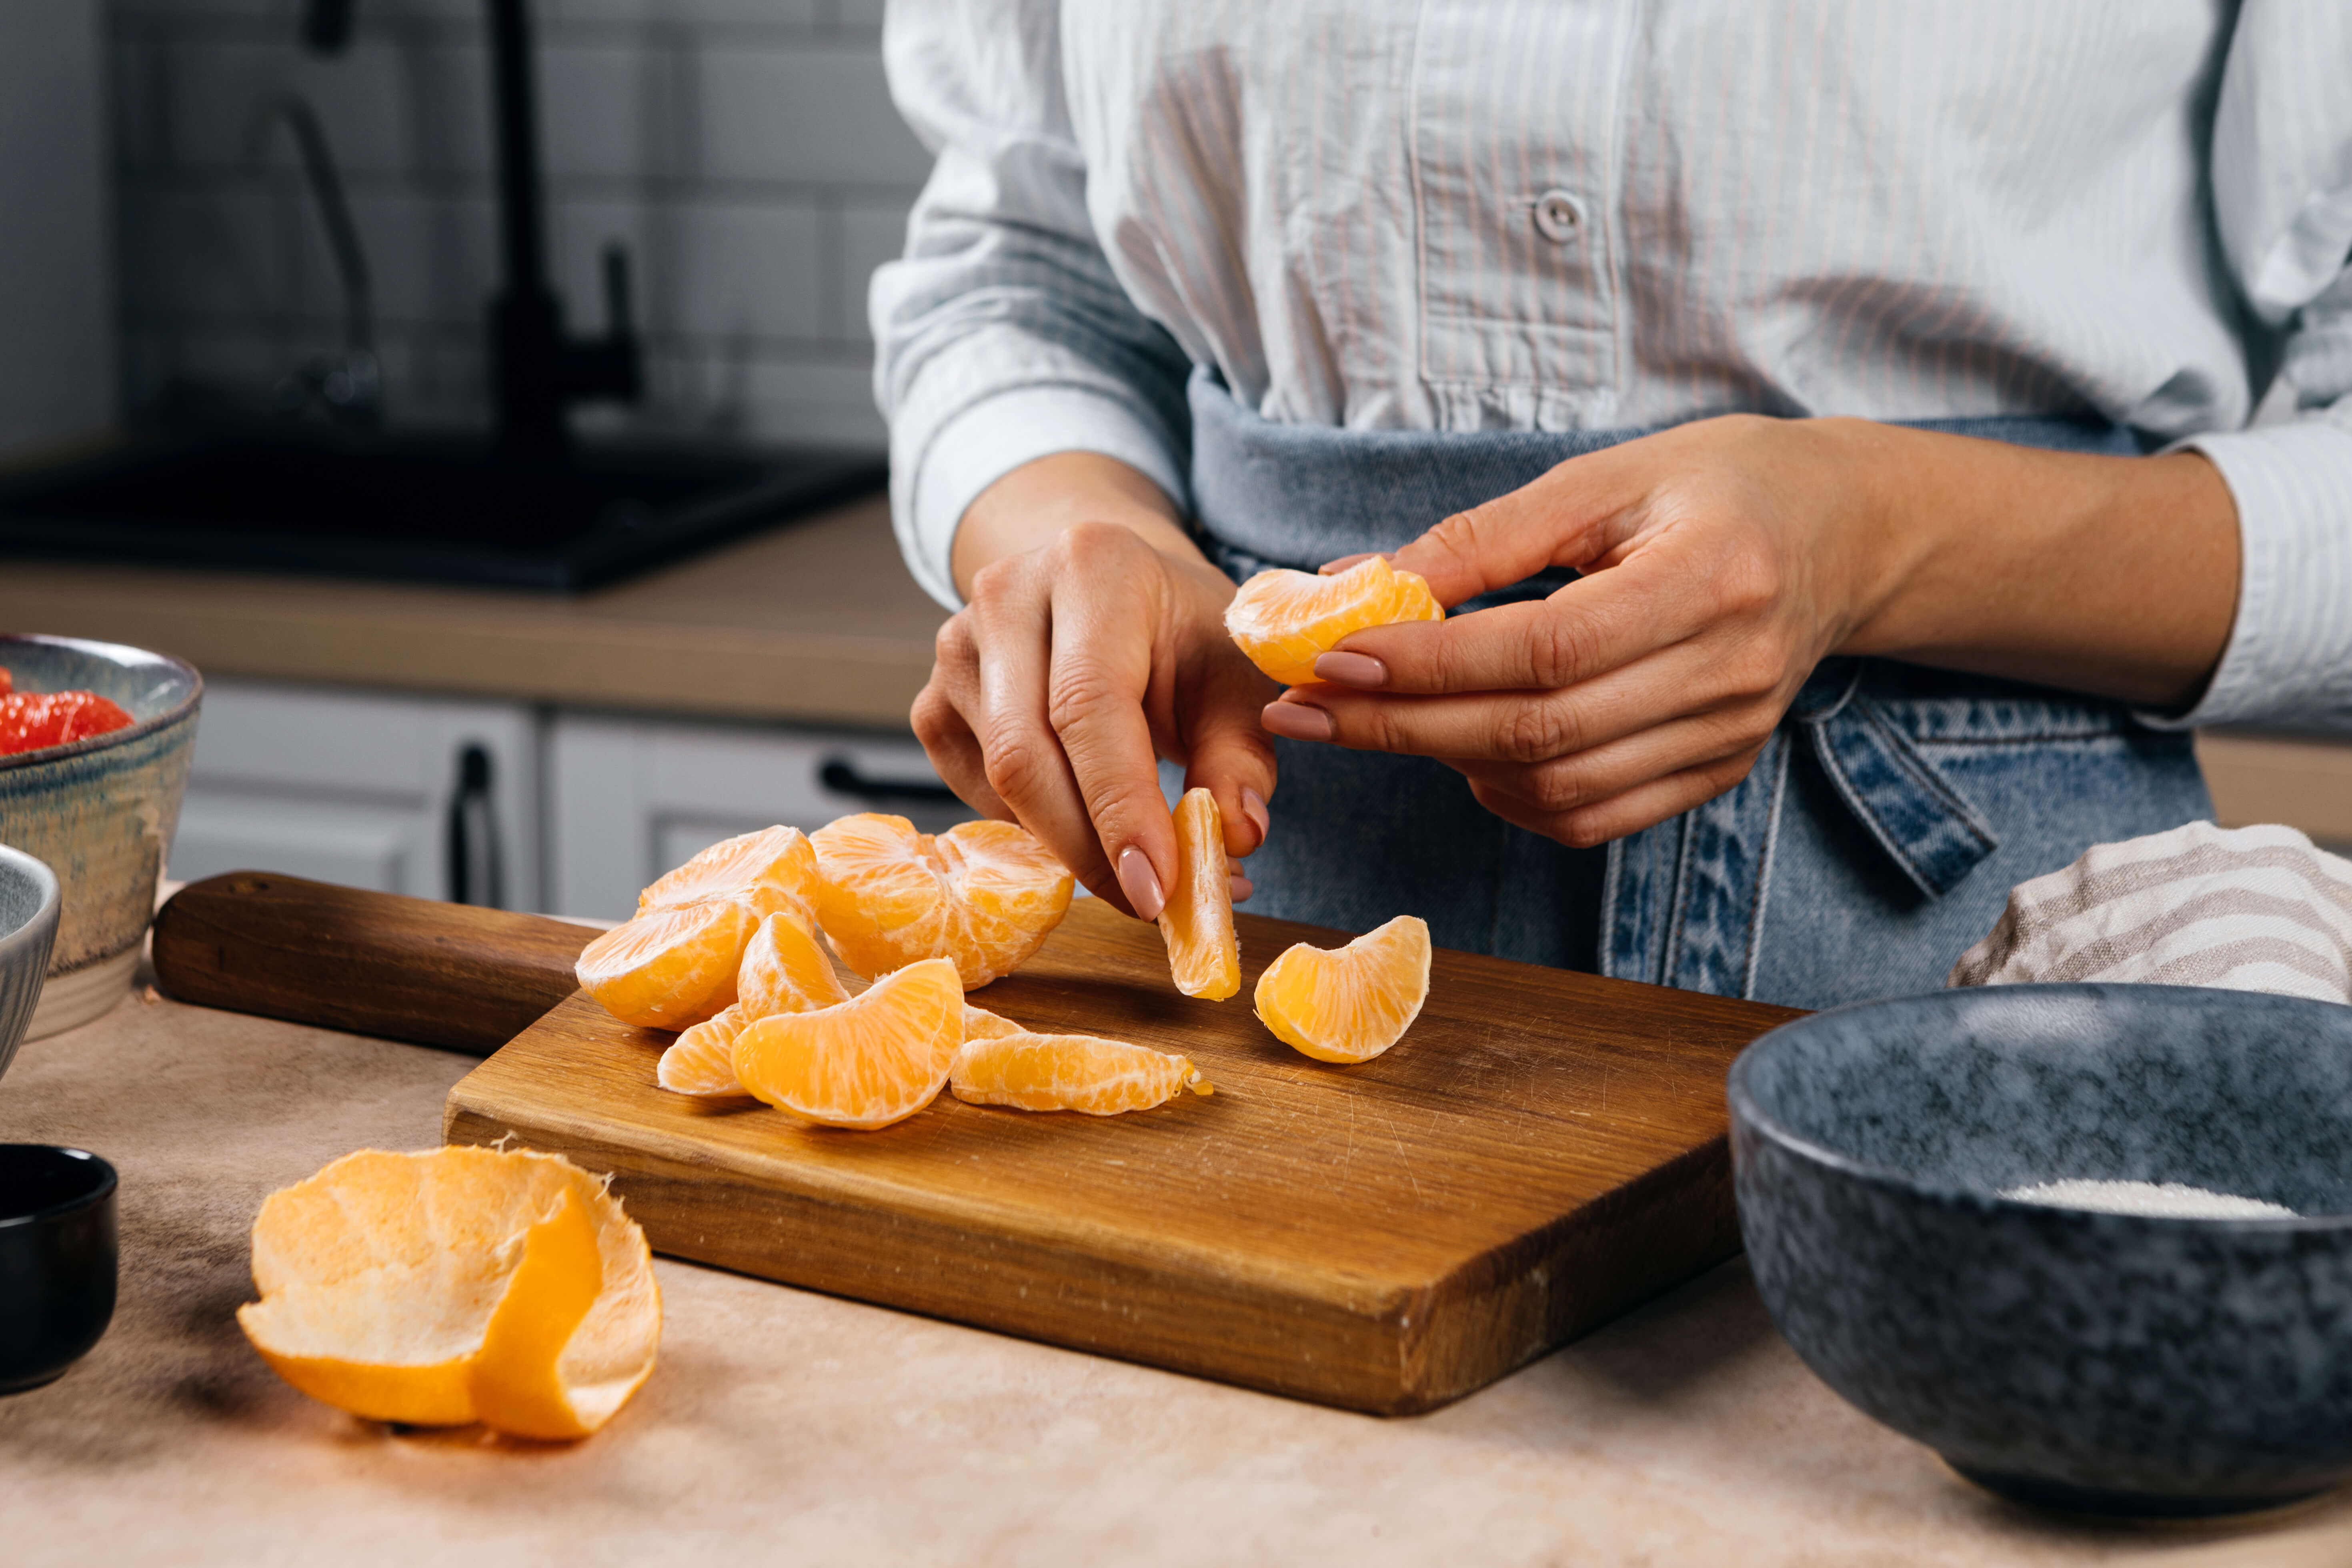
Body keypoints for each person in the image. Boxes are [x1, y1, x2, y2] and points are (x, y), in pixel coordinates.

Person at [869, 1, 2352, 1010]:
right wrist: (1080, 527)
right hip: (1253, 884)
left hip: (1975, 941)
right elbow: (1023, 271)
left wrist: (1876, 534)